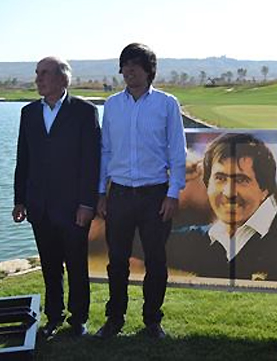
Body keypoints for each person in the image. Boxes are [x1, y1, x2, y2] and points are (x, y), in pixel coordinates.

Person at [95, 43, 187, 340]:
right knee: (117, 260)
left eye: (136, 65)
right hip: (119, 193)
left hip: (155, 195)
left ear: (149, 71)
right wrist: (101, 192)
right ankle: (114, 318)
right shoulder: (112, 105)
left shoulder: (166, 104)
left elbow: (177, 151)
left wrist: (173, 193)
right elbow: (105, 151)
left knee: (156, 261)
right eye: (125, 65)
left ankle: (152, 321)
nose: (129, 71)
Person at [12, 56, 100, 338]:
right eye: (37, 73)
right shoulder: (28, 113)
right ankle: (53, 316)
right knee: (50, 267)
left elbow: (91, 162)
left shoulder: (85, 112)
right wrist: (19, 200)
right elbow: (22, 159)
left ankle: (79, 318)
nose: (38, 79)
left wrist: (88, 203)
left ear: (63, 79)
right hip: (39, 206)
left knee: (76, 266)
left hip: (75, 208)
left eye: (45, 73)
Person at [166, 133, 277, 281]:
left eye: (241, 180)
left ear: (264, 189)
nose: (229, 193)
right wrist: (169, 175)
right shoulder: (202, 239)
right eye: (220, 178)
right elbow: (139, 238)